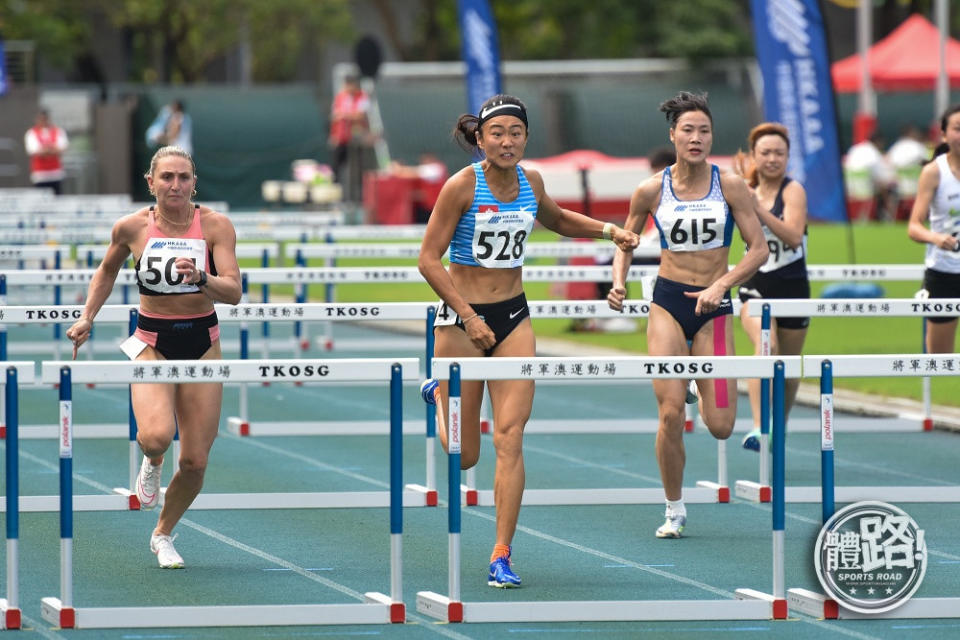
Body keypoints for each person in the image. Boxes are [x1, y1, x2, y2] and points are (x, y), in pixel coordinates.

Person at [417, 94, 639, 587]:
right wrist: (468, 316)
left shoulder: (530, 181)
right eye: (497, 133)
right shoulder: (461, 186)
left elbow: (556, 219)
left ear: (526, 138)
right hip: (460, 321)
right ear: (480, 138)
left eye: (516, 132)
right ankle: (438, 395)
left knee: (510, 438)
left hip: (514, 318)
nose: (507, 141)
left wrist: (609, 231)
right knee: (464, 453)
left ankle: (502, 553)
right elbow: (428, 259)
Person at [66, 145, 242, 568]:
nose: (175, 185)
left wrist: (202, 279)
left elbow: (234, 291)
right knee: (156, 435)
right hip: (152, 340)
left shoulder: (215, 226)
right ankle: (152, 460)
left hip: (203, 341)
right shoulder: (132, 228)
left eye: (183, 177)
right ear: (151, 182)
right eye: (167, 177)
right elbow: (107, 271)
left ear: (194, 182)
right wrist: (88, 316)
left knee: (197, 461)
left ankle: (162, 533)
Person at [606, 91, 768, 539]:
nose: (696, 138)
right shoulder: (651, 189)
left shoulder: (730, 184)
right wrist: (618, 281)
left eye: (704, 131)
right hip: (669, 302)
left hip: (713, 306)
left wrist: (721, 285)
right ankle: (674, 507)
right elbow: (625, 240)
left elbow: (759, 249)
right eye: (688, 130)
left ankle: (698, 380)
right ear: (672, 136)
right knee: (671, 414)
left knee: (721, 427)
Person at [733, 123, 810, 451]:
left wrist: (758, 209)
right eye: (765, 152)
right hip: (755, 281)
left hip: (792, 283)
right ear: (754, 156)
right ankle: (758, 427)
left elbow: (793, 237)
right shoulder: (739, 190)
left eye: (779, 153)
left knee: (789, 368)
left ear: (788, 157)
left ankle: (780, 423)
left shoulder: (793, 191)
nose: (773, 158)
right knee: (767, 347)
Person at [907, 104, 960, 356]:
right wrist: (936, 238)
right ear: (943, 135)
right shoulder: (934, 172)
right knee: (940, 357)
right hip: (944, 272)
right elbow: (914, 226)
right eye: (958, 129)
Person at [328, 74, 371, 200]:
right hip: (341, 138)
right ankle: (335, 197)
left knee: (358, 170)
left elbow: (361, 115)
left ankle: (359, 198)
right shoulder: (340, 97)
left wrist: (345, 116)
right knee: (336, 168)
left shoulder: (362, 97)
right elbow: (335, 116)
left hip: (357, 139)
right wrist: (334, 134)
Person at [843, 131, 896, 221]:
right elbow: (883, 179)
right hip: (867, 192)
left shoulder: (854, 149)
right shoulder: (874, 154)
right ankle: (890, 217)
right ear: (879, 142)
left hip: (850, 191)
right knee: (888, 188)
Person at [887, 124, 930, 220]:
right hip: (918, 188)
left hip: (899, 189)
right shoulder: (919, 148)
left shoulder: (895, 148)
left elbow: (888, 164)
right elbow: (929, 164)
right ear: (911, 133)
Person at [24, 109, 69, 194]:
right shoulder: (31, 133)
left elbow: (62, 148)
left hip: (56, 174)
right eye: (41, 119)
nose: (43, 121)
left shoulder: (58, 131)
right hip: (40, 175)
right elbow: (33, 150)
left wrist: (46, 150)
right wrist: (50, 150)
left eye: (45, 119)